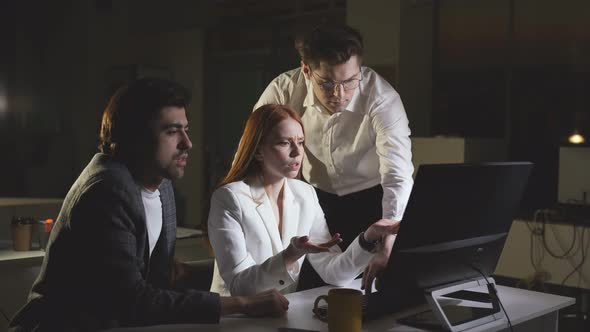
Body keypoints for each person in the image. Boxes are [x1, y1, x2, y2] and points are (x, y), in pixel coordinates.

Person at [9, 78, 288, 331]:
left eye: (186, 130)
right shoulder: (107, 190)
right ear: (135, 136)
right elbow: (132, 301)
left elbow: (164, 276)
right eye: (171, 132)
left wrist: (245, 271)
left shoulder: (160, 183)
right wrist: (243, 304)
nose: (187, 143)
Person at [253, 24, 414, 290]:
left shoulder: (382, 98)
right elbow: (252, 149)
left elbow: (397, 176)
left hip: (374, 200)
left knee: (375, 293)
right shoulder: (283, 90)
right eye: (327, 83)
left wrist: (388, 244)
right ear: (306, 69)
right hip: (314, 198)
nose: (339, 94)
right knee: (310, 292)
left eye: (350, 82)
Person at [207, 104, 399, 296]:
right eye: (284, 143)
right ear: (258, 151)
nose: (297, 152)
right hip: (235, 319)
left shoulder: (305, 194)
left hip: (283, 314)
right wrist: (290, 255)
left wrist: (368, 239)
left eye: (300, 142)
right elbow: (241, 286)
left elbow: (334, 272)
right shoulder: (229, 198)